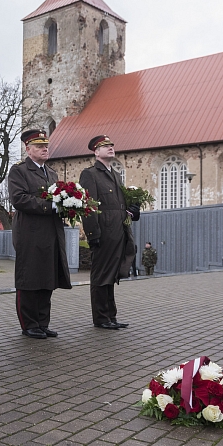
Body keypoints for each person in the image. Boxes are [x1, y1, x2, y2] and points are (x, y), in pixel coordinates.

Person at [8, 129, 71, 339]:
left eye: (46, 146)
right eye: (39, 146)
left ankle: (43, 322)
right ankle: (29, 324)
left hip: (51, 232)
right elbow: (19, 199)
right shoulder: (19, 171)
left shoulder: (51, 173)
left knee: (47, 278)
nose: (45, 149)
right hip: (30, 232)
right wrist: (51, 205)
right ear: (28, 149)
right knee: (30, 279)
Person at [78, 135, 140, 330]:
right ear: (96, 152)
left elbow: (119, 204)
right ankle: (101, 318)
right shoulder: (90, 174)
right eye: (105, 146)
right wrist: (93, 234)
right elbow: (89, 206)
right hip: (103, 232)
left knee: (111, 276)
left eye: (112, 145)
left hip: (118, 231)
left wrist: (133, 209)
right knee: (101, 276)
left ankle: (110, 316)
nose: (111, 148)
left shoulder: (115, 174)